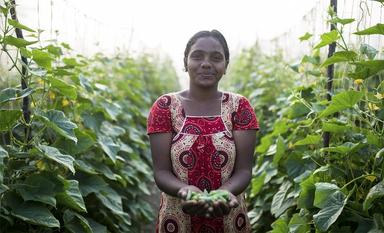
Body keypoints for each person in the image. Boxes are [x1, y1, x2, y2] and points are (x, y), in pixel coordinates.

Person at [147, 29, 259, 233]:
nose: (206, 63)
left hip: (229, 217)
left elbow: (244, 170)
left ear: (225, 66)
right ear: (185, 62)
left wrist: (224, 193)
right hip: (178, 219)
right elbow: (161, 172)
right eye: (197, 56)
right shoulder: (165, 106)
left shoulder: (239, 107)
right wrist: (185, 190)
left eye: (216, 58)